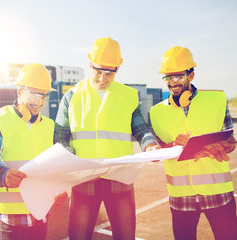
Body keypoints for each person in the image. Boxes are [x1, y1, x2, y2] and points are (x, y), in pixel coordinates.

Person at [54, 37, 160, 240]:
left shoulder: (128, 95)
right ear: (89, 63)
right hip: (84, 181)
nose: (102, 78)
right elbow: (60, 138)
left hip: (120, 180)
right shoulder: (72, 95)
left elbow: (140, 128)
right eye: (98, 71)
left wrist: (150, 144)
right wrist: (74, 162)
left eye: (109, 73)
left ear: (118, 68)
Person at [150, 46, 237, 240]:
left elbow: (231, 140)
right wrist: (171, 146)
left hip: (218, 192)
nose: (173, 83)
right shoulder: (156, 113)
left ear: (192, 75)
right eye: (168, 78)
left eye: (178, 77)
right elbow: (158, 150)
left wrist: (222, 146)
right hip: (181, 197)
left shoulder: (216, 100)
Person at [0, 63, 67, 240]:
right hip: (9, 219)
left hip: (40, 213)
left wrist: (58, 189)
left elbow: (54, 165)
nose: (40, 102)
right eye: (34, 94)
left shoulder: (50, 126)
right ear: (19, 92)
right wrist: (2, 174)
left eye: (44, 95)